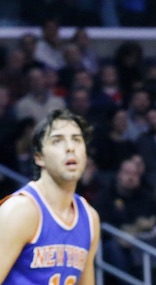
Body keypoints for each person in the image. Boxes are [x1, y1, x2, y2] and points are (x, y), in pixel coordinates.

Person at [0, 109, 100, 284]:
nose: (70, 147)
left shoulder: (90, 218)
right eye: (57, 140)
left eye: (77, 139)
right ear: (39, 158)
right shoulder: (21, 210)